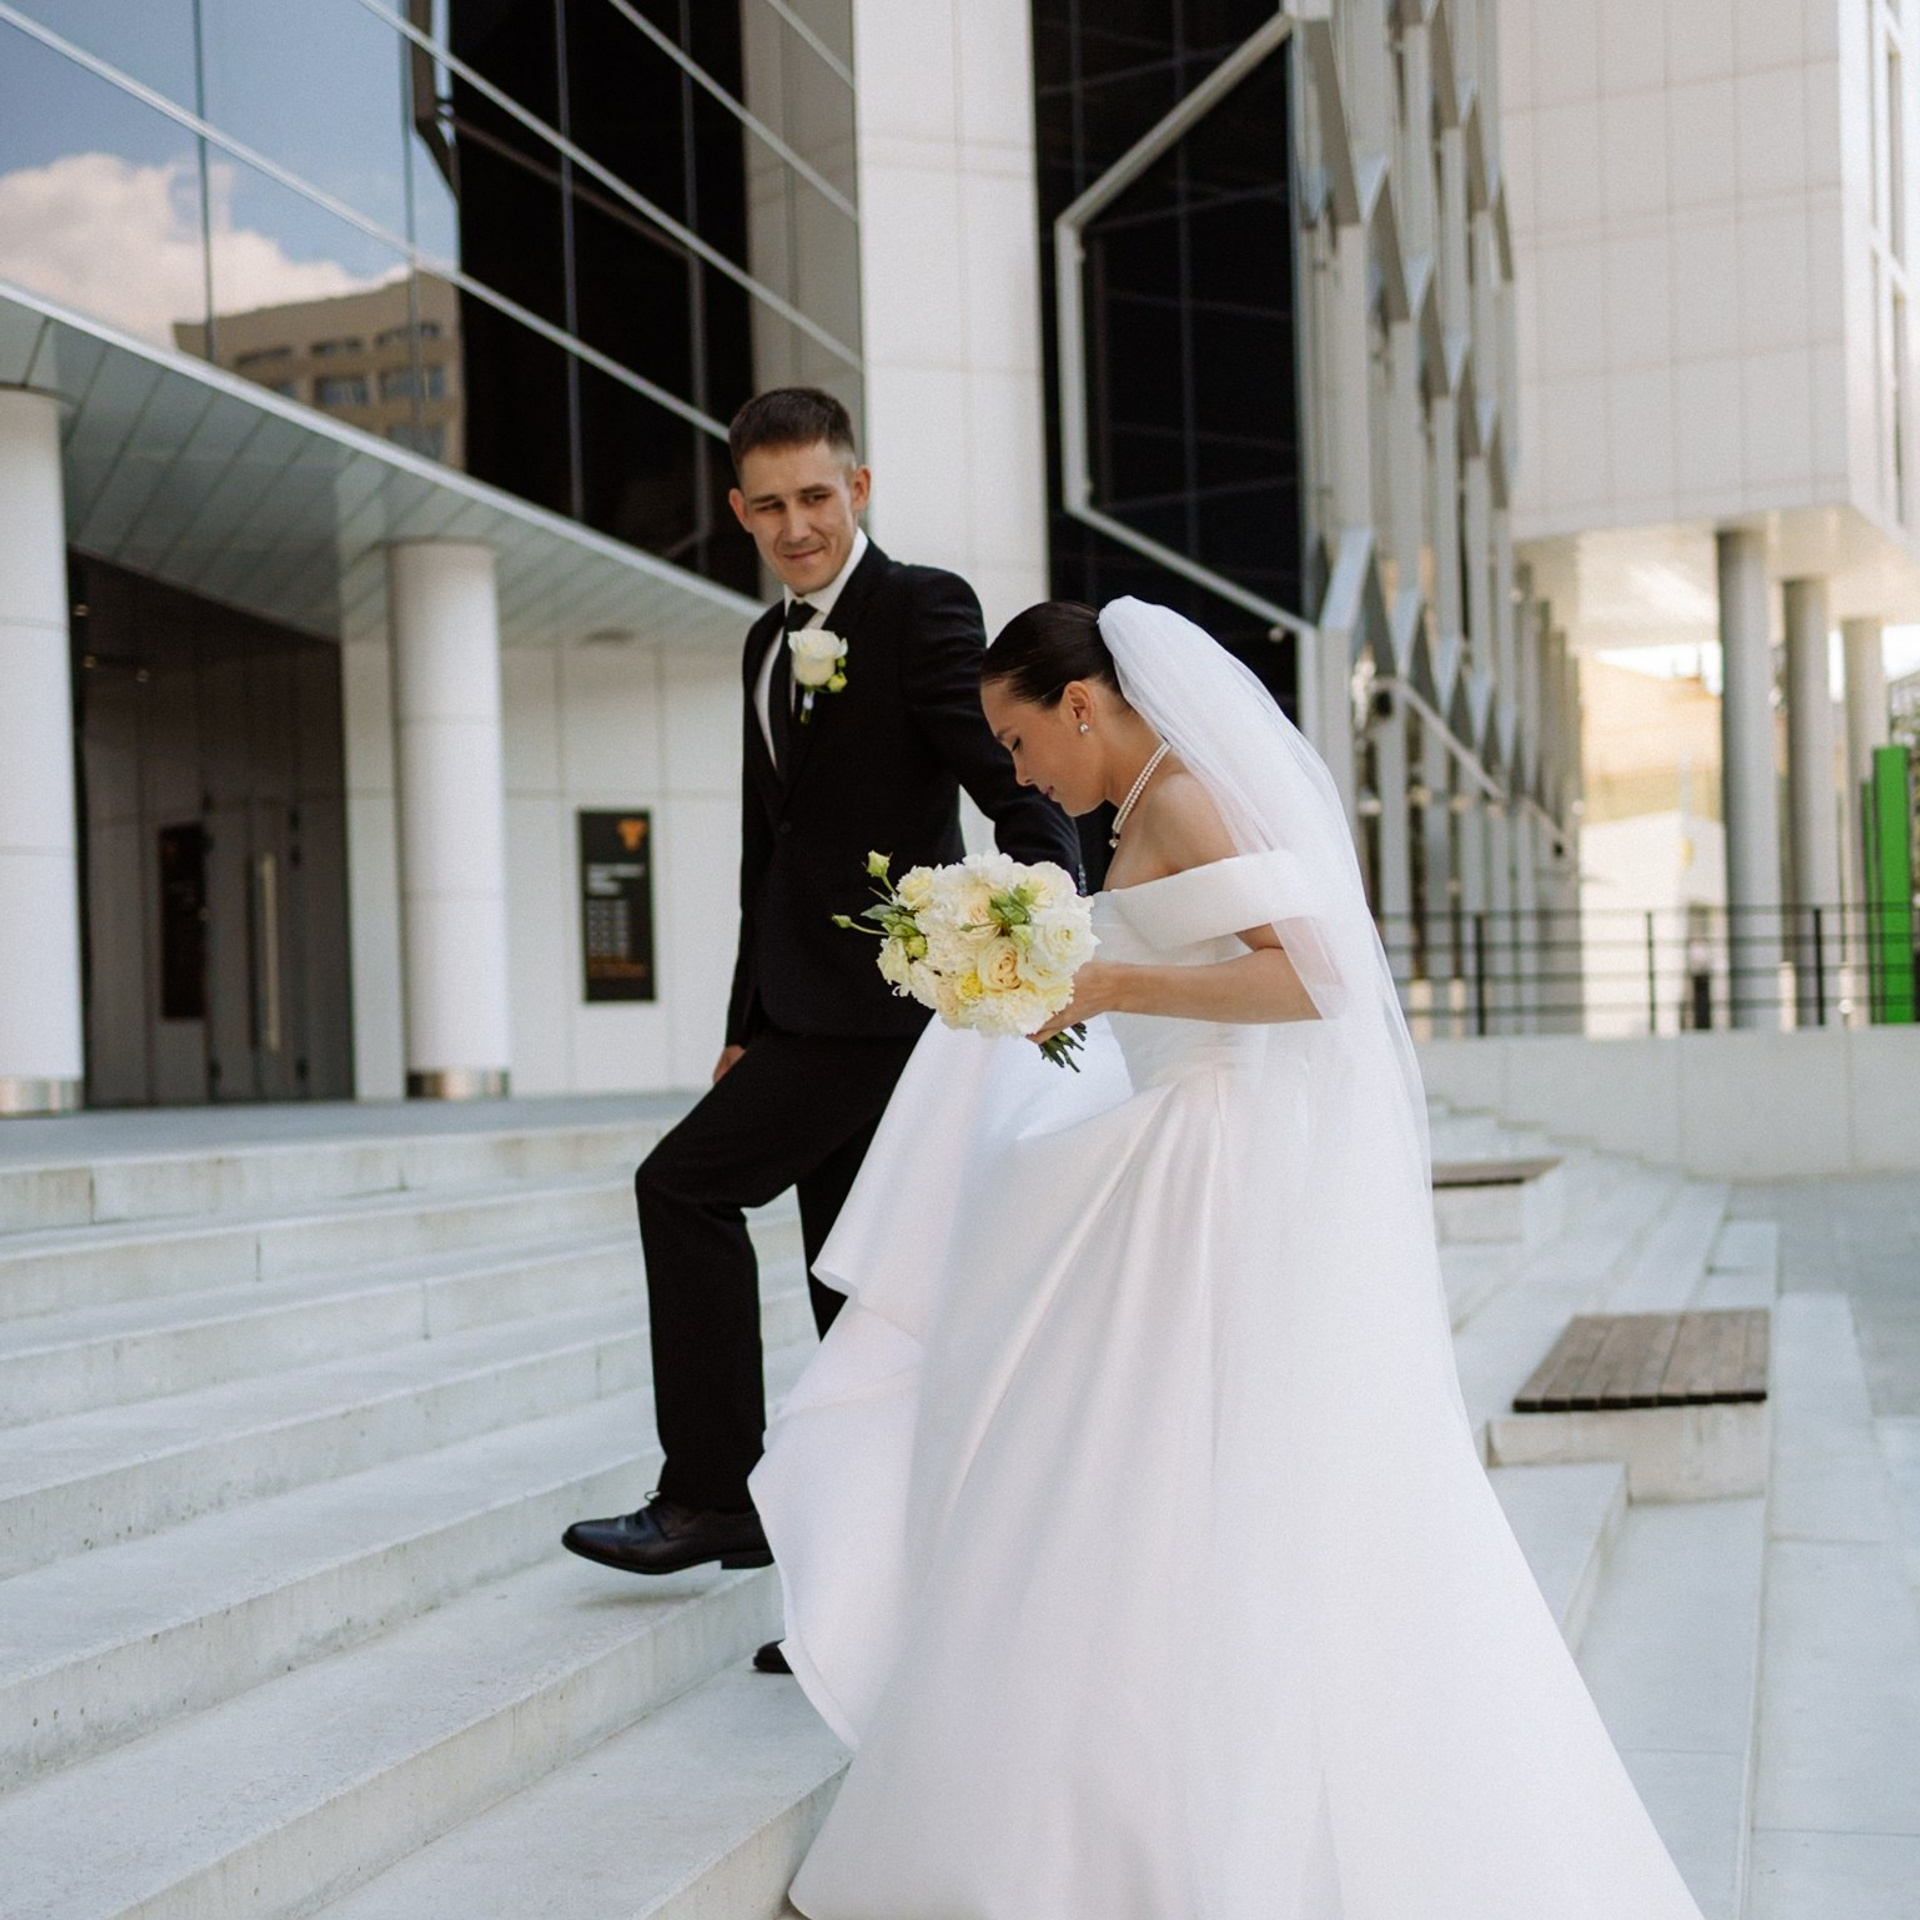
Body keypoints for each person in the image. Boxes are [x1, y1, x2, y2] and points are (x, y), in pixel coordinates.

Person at [749, 599, 1706, 1918]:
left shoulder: (1183, 800)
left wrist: (1109, 987)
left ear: (1082, 705)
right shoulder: (1142, 810)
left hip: (1201, 1171)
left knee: (1125, 1457)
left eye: (1023, 741)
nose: (1019, 774)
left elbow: (1313, 980)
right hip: (1165, 1144)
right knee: (1093, 1462)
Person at [560, 390, 1079, 1618]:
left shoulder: (922, 609)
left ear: (860, 487)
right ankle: (865, 1606)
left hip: (884, 1011)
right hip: (797, 1014)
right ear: (739, 511)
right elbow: (768, 853)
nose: (798, 525)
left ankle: (711, 1495)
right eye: (772, 505)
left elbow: (1003, 775)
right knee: (851, 1305)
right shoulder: (762, 644)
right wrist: (742, 1024)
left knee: (681, 1187)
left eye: (818, 496)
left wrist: (1045, 903)